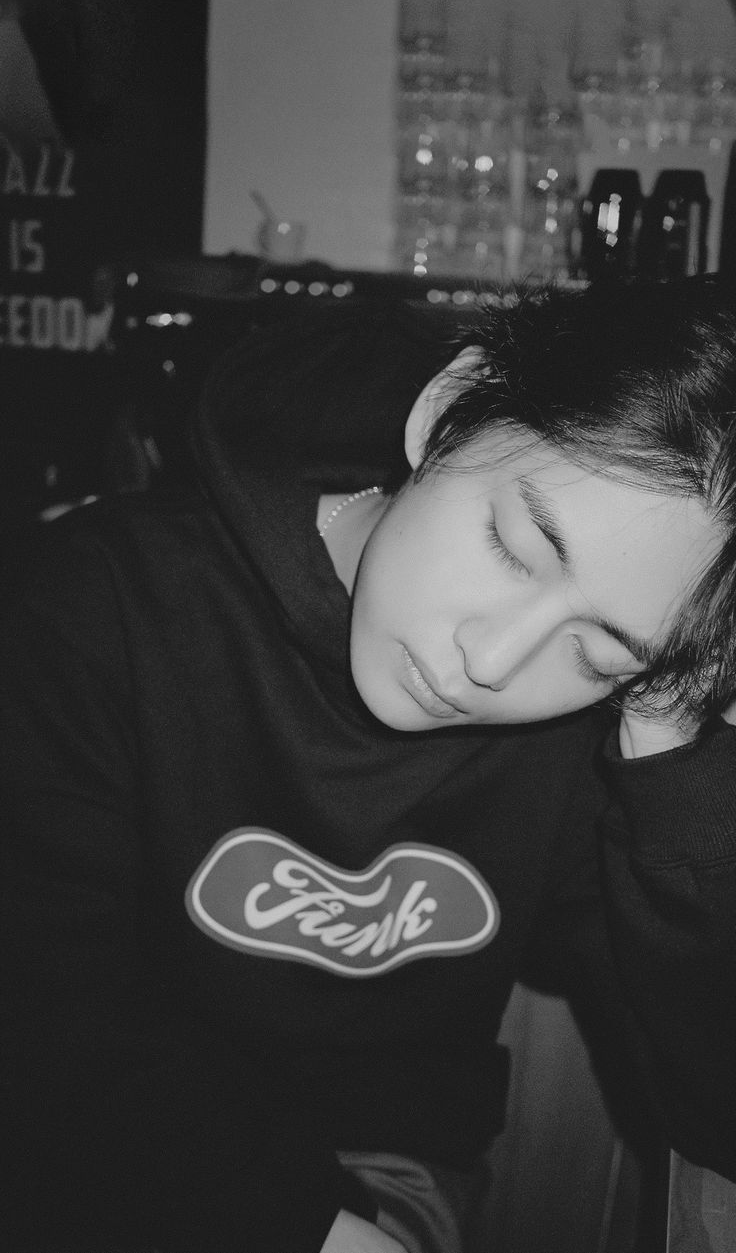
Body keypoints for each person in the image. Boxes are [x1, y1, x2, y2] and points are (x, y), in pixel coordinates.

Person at [2, 274, 736, 1253]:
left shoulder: (586, 739)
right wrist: (296, 1229)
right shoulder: (99, 605)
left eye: (601, 651)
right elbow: (48, 1018)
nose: (493, 659)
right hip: (91, 1151)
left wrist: (674, 746)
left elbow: (706, 1107)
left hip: (385, 1176)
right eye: (515, 546)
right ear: (445, 414)